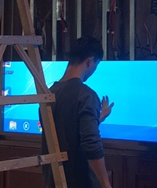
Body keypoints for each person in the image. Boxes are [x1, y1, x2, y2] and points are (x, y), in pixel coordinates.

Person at [42, 36, 115, 188]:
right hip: (79, 181)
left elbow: (68, 128)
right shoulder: (86, 96)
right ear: (90, 61)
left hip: (53, 180)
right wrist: (105, 183)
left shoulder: (50, 92)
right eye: (96, 65)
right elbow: (91, 144)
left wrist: (98, 118)